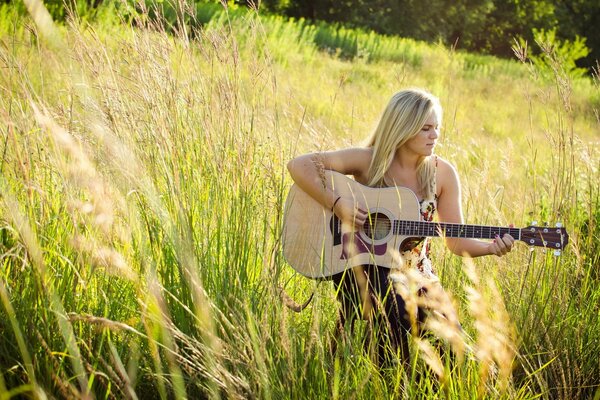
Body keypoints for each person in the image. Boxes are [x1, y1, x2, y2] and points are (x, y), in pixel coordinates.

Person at [286, 88, 515, 370]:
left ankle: (422, 385)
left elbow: (455, 242)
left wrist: (491, 248)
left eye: (437, 128)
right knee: (392, 304)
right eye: (426, 128)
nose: (435, 135)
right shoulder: (369, 160)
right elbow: (299, 165)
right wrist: (337, 204)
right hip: (360, 268)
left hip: (418, 274)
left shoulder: (442, 174)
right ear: (403, 129)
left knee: (452, 342)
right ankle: (392, 380)